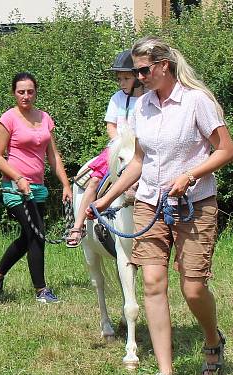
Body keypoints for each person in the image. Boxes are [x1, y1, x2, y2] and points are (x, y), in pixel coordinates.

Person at [86, 36, 233, 375]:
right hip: (150, 204)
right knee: (153, 284)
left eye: (143, 70)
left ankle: (213, 340)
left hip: (194, 204)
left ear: (163, 66)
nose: (138, 78)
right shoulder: (142, 108)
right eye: (135, 72)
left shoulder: (196, 101)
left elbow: (225, 150)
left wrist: (190, 175)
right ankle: (165, 373)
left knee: (193, 286)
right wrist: (107, 198)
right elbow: (138, 162)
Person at [0, 72, 73, 304]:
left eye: (30, 91)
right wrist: (18, 178)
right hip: (14, 188)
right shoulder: (8, 119)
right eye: (21, 91)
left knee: (29, 236)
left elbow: (53, 156)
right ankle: (41, 291)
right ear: (14, 93)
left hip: (39, 188)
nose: (25, 96)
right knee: (36, 234)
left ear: (36, 92)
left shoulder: (44, 118)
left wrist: (65, 184)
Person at [66, 50, 144, 247]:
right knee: (93, 180)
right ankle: (78, 225)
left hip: (143, 150)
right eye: (119, 79)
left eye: (126, 78)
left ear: (137, 77)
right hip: (118, 149)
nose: (122, 83)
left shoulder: (149, 98)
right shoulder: (117, 98)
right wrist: (119, 143)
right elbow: (111, 125)